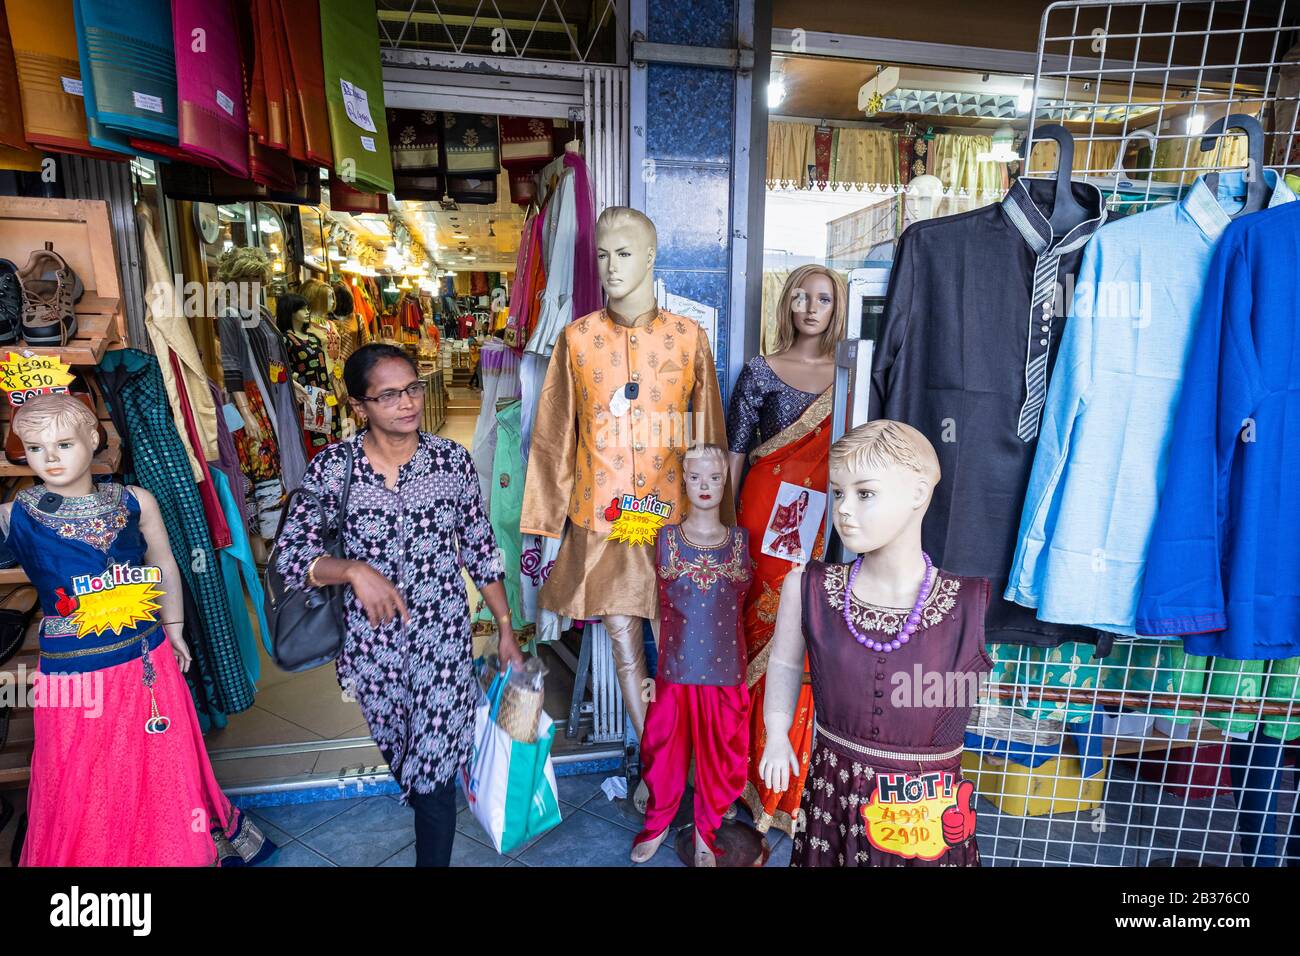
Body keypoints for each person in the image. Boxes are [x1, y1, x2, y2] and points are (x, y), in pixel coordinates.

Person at [273, 343, 525, 866]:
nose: (407, 403)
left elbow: (480, 548)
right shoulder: (334, 469)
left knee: (432, 775)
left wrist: (504, 627)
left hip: (442, 644)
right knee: (407, 762)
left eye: (411, 388)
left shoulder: (450, 461)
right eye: (388, 395)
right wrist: (352, 571)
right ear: (360, 405)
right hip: (372, 653)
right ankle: (425, 799)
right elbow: (291, 554)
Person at [5, 394, 272, 866]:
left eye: (64, 444)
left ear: (93, 438)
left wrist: (174, 626)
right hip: (73, 671)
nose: (50, 458)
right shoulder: (15, 513)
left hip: (146, 656)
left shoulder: (135, 501)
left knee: (159, 757)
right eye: (34, 448)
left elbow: (163, 562)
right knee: (78, 769)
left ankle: (172, 849)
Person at [759, 420, 990, 867]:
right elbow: (785, 665)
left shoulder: (968, 601)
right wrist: (776, 731)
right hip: (832, 793)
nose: (845, 509)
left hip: (924, 813)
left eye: (865, 493)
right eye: (840, 492)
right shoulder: (806, 587)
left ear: (918, 494)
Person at [727, 264, 845, 837]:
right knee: (749, 634)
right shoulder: (758, 373)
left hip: (816, 524)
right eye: (803, 295)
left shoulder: (848, 376)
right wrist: (720, 528)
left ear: (837, 306)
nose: (812, 307)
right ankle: (740, 776)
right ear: (788, 301)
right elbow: (735, 455)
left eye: (824, 298)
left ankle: (786, 787)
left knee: (798, 641)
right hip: (758, 520)